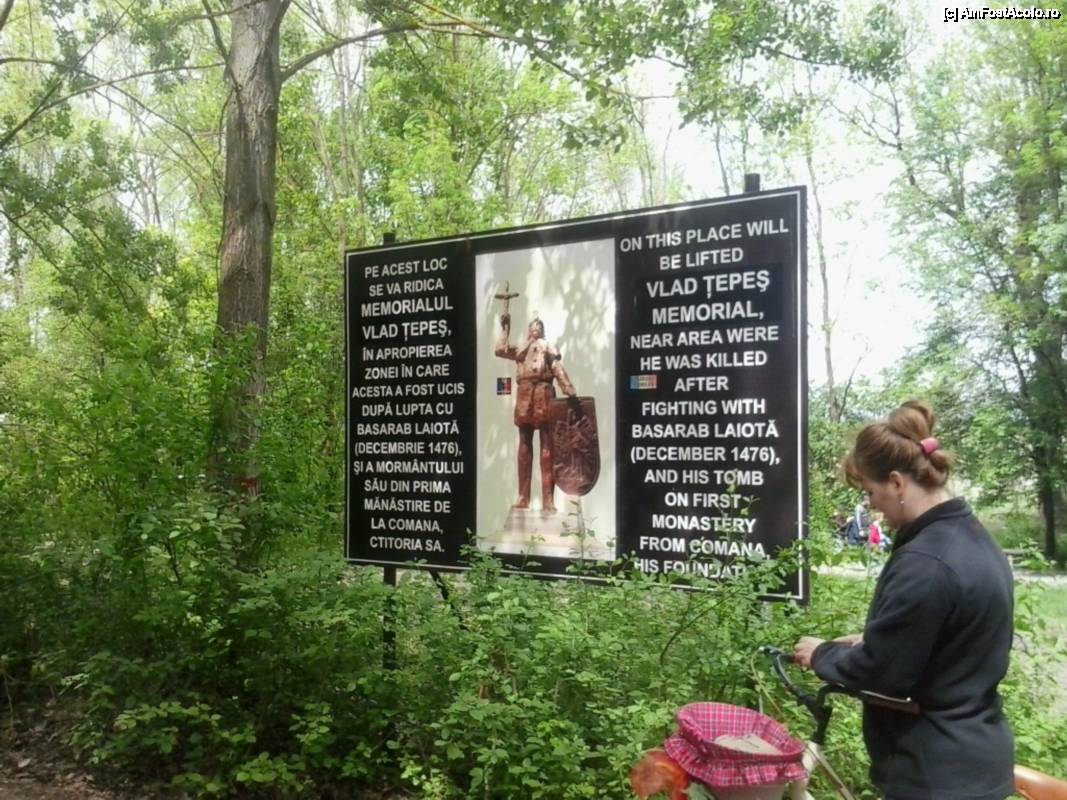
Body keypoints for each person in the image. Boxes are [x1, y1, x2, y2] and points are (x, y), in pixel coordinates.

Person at [793, 400, 1014, 800]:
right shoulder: (972, 538)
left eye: (870, 491)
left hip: (934, 775)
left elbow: (882, 671)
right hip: (975, 763)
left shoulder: (927, 561)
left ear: (896, 483)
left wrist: (821, 654)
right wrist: (874, 638)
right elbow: (952, 641)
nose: (870, 505)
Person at [495, 312, 576, 512]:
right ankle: (523, 497)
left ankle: (548, 499)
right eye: (533, 325)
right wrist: (505, 328)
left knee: (547, 446)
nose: (536, 328)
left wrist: (568, 388)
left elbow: (557, 368)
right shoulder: (521, 349)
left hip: (544, 393)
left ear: (543, 330)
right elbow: (500, 350)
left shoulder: (548, 347)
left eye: (540, 326)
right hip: (525, 395)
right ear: (528, 330)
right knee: (524, 444)